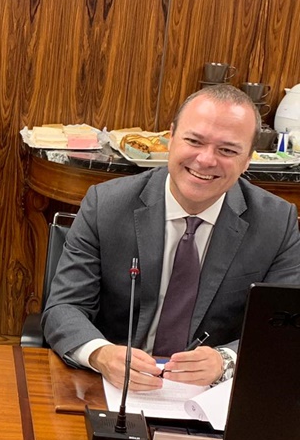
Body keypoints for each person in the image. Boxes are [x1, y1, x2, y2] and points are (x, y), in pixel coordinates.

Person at [42, 84, 300, 390]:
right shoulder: (106, 205)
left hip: (212, 396)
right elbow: (64, 308)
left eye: (228, 150)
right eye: (194, 141)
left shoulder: (276, 223)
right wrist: (101, 354)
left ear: (247, 160)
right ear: (171, 137)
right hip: (111, 387)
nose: (206, 159)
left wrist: (226, 361)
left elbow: (285, 330)